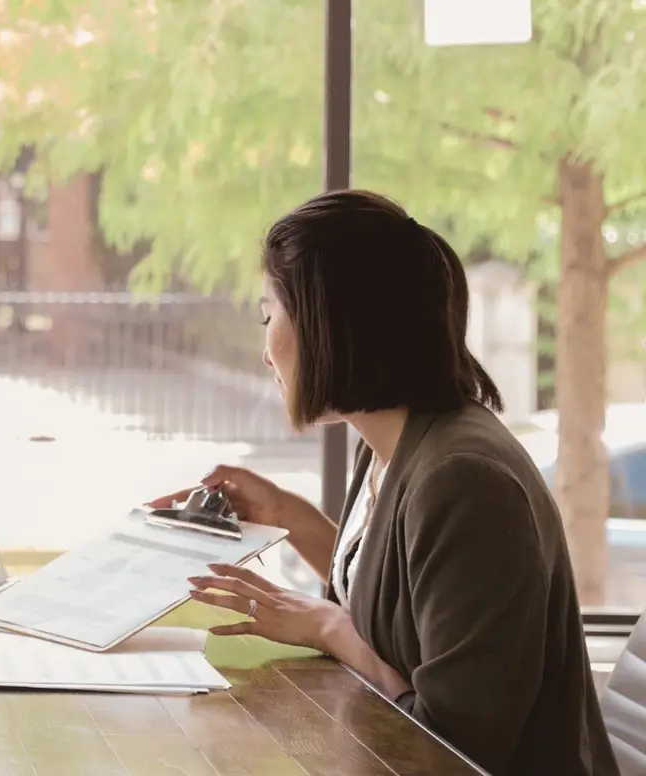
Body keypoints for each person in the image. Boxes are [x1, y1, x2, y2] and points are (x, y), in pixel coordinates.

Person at [151, 189, 616, 775]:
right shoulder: (393, 441)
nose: (266, 352)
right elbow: (392, 608)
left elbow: (453, 748)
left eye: (269, 316)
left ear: (328, 324)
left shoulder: (465, 481)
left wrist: (329, 628)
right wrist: (285, 514)